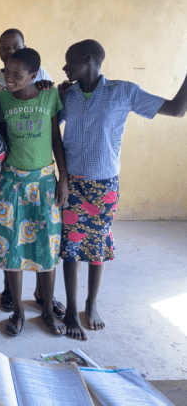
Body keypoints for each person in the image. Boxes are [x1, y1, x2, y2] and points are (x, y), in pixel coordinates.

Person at [59, 39, 187, 340]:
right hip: (73, 183)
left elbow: (177, 109)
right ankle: (71, 308)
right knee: (71, 247)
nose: (65, 67)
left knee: (98, 244)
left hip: (105, 185)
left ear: (89, 59)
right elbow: (49, 125)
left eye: (70, 61)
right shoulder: (67, 95)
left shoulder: (123, 92)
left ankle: (91, 304)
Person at [0, 28, 65, 318]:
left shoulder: (48, 93)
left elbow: (56, 138)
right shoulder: (2, 95)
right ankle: (17, 310)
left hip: (44, 182)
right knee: (11, 247)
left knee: (47, 245)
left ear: (33, 75)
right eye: (7, 71)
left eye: (17, 74)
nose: (10, 77)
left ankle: (46, 307)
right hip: (11, 181)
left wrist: (63, 180)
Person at [0, 29, 52, 94]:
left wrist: (46, 87)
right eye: (6, 47)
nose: (11, 51)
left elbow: (53, 98)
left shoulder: (40, 73)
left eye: (16, 47)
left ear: (24, 48)